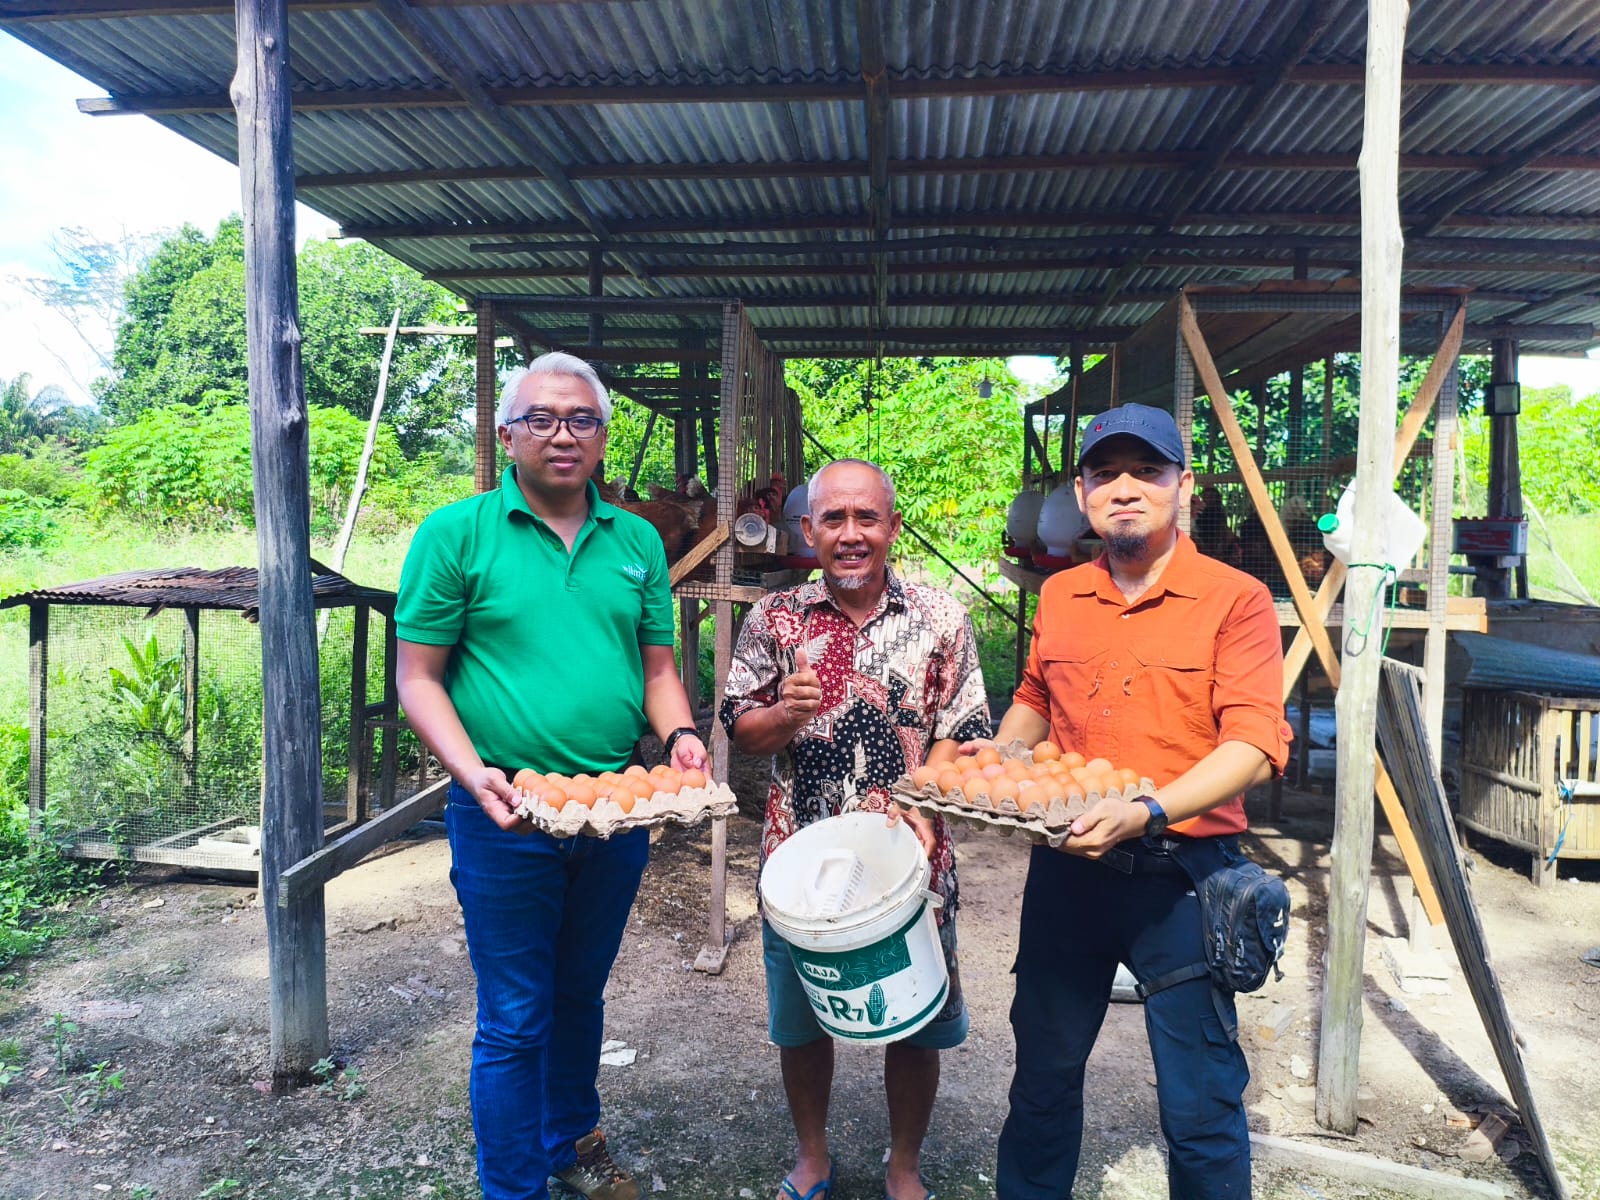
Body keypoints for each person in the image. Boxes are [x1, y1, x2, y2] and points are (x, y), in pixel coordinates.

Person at [395, 351, 708, 1200]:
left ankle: (568, 1139)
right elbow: (418, 678)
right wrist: (473, 775)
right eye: (541, 418)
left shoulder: (636, 541)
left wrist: (679, 734)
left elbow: (656, 669)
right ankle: (514, 1188)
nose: (562, 435)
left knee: (580, 995)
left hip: (611, 808)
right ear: (507, 435)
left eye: (581, 420)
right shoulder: (455, 534)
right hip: (503, 810)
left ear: (602, 437)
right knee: (514, 1016)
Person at [988, 404, 1292, 1199]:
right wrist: (1004, 760)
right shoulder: (1062, 595)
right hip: (1069, 873)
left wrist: (1150, 810)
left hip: (1183, 877)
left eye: (1147, 471)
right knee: (1043, 1077)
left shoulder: (1235, 599)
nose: (1125, 489)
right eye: (1105, 474)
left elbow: (1253, 745)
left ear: (1182, 486)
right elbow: (1035, 696)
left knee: (1200, 1103)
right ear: (1082, 493)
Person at [721, 459, 991, 1200]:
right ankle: (813, 1157)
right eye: (833, 519)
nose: (850, 534)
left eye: (866, 518)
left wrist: (928, 801)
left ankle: (904, 1166)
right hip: (799, 864)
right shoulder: (776, 619)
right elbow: (741, 728)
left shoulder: (940, 617)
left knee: (917, 1019)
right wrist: (786, 713)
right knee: (802, 1022)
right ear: (808, 530)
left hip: (912, 859)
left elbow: (963, 729)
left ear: (892, 527)